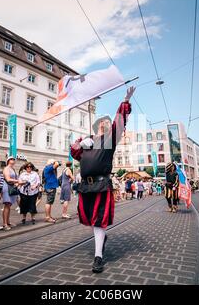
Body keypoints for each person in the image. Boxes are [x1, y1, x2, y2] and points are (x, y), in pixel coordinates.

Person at [70, 86, 134, 274]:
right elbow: (74, 152)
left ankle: (98, 256)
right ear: (96, 126)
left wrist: (125, 101)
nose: (104, 125)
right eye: (101, 123)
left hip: (101, 184)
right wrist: (80, 144)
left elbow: (119, 124)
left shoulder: (110, 140)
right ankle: (101, 240)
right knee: (91, 219)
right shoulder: (86, 141)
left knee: (99, 221)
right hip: (85, 186)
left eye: (106, 123)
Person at [2, 157, 23, 230]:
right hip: (7, 187)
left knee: (9, 205)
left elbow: (16, 178)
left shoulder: (13, 169)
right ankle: (5, 224)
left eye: (14, 159)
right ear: (8, 161)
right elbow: (8, 179)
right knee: (7, 205)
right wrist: (17, 182)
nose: (13, 160)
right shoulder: (6, 168)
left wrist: (18, 183)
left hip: (12, 187)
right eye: (11, 159)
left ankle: (8, 222)